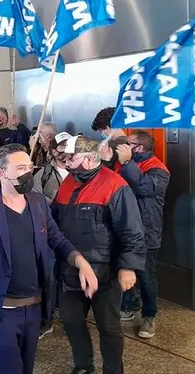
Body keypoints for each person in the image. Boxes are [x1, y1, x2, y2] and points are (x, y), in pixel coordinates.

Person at [0, 144, 98, 374]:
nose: (28, 173)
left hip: (34, 307)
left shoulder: (38, 202)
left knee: (27, 368)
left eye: (29, 167)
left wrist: (81, 262)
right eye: (20, 167)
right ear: (1, 174)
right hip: (0, 310)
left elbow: (57, 239)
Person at [52, 136, 146, 374]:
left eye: (71, 157)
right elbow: (53, 222)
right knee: (72, 322)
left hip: (106, 272)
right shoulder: (67, 183)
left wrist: (128, 267)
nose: (66, 161)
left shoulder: (115, 185)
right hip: (71, 270)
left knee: (109, 327)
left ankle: (113, 370)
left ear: (89, 158)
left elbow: (132, 230)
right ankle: (83, 366)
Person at [115, 131, 170, 339]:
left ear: (139, 148)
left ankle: (149, 317)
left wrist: (127, 162)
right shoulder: (124, 163)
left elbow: (144, 187)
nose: (123, 147)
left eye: (128, 144)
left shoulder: (159, 170)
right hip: (125, 229)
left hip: (147, 231)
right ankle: (127, 305)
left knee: (147, 276)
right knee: (125, 268)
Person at [32, 132, 72, 202]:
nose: (68, 150)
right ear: (54, 152)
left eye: (70, 146)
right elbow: (36, 197)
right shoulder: (42, 175)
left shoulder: (82, 171)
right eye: (63, 147)